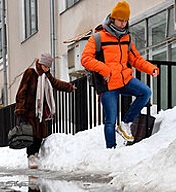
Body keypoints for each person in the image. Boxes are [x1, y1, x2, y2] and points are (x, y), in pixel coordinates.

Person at [81, 0, 159, 148]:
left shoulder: (127, 38)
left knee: (145, 92)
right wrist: (105, 69)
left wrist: (151, 68)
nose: (123, 24)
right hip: (107, 84)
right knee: (110, 120)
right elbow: (85, 59)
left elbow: (135, 59)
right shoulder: (98, 37)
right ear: (112, 19)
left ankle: (126, 122)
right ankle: (111, 149)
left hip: (124, 80)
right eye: (120, 20)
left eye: (125, 21)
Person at [15, 52, 76, 169]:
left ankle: (35, 155)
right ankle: (31, 157)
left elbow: (55, 83)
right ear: (41, 64)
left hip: (40, 112)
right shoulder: (30, 73)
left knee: (39, 135)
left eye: (49, 67)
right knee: (31, 135)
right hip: (28, 110)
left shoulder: (46, 75)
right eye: (46, 66)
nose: (47, 68)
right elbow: (21, 92)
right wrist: (20, 109)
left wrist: (69, 87)